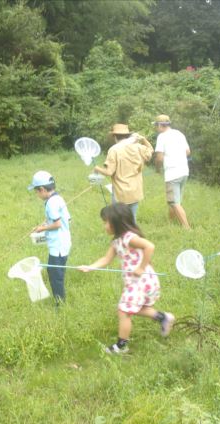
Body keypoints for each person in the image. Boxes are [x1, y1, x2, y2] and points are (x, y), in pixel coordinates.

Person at [78, 203, 174, 354]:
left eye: (106, 222)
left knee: (124, 311)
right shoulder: (117, 242)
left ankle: (121, 346)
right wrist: (90, 267)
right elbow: (106, 259)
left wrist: (141, 268)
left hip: (141, 281)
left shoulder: (129, 238)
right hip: (135, 282)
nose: (104, 226)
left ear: (117, 222)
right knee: (136, 308)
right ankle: (163, 317)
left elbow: (150, 246)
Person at [93, 123, 154, 222]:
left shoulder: (114, 150)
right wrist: (143, 139)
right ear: (127, 135)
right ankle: (132, 236)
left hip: (120, 193)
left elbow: (109, 172)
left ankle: (122, 237)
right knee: (132, 219)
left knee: (119, 221)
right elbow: (151, 150)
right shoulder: (138, 147)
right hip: (135, 191)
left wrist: (97, 169)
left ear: (114, 136)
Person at [28, 171, 71, 305]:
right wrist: (45, 224)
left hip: (57, 245)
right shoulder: (58, 198)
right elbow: (67, 220)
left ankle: (60, 303)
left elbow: (57, 224)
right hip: (65, 242)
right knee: (57, 270)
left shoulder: (51, 203)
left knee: (54, 275)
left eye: (37, 192)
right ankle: (60, 295)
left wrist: (43, 229)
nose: (37, 195)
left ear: (42, 189)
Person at [153, 114, 191, 229]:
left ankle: (187, 228)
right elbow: (188, 151)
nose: (155, 128)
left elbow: (159, 158)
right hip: (184, 171)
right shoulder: (179, 133)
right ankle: (170, 222)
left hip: (172, 174)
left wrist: (158, 169)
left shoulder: (162, 137)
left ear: (160, 125)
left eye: (156, 125)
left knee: (174, 202)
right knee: (175, 200)